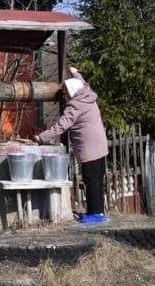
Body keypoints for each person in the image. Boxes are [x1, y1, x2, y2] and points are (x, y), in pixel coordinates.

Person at [34, 67, 108, 224]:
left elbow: (61, 126)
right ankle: (98, 212)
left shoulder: (75, 106)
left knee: (91, 180)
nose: (65, 96)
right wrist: (74, 72)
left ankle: (96, 215)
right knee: (97, 179)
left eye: (66, 93)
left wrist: (41, 137)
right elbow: (82, 82)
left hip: (89, 148)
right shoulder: (87, 93)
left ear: (72, 92)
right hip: (100, 145)